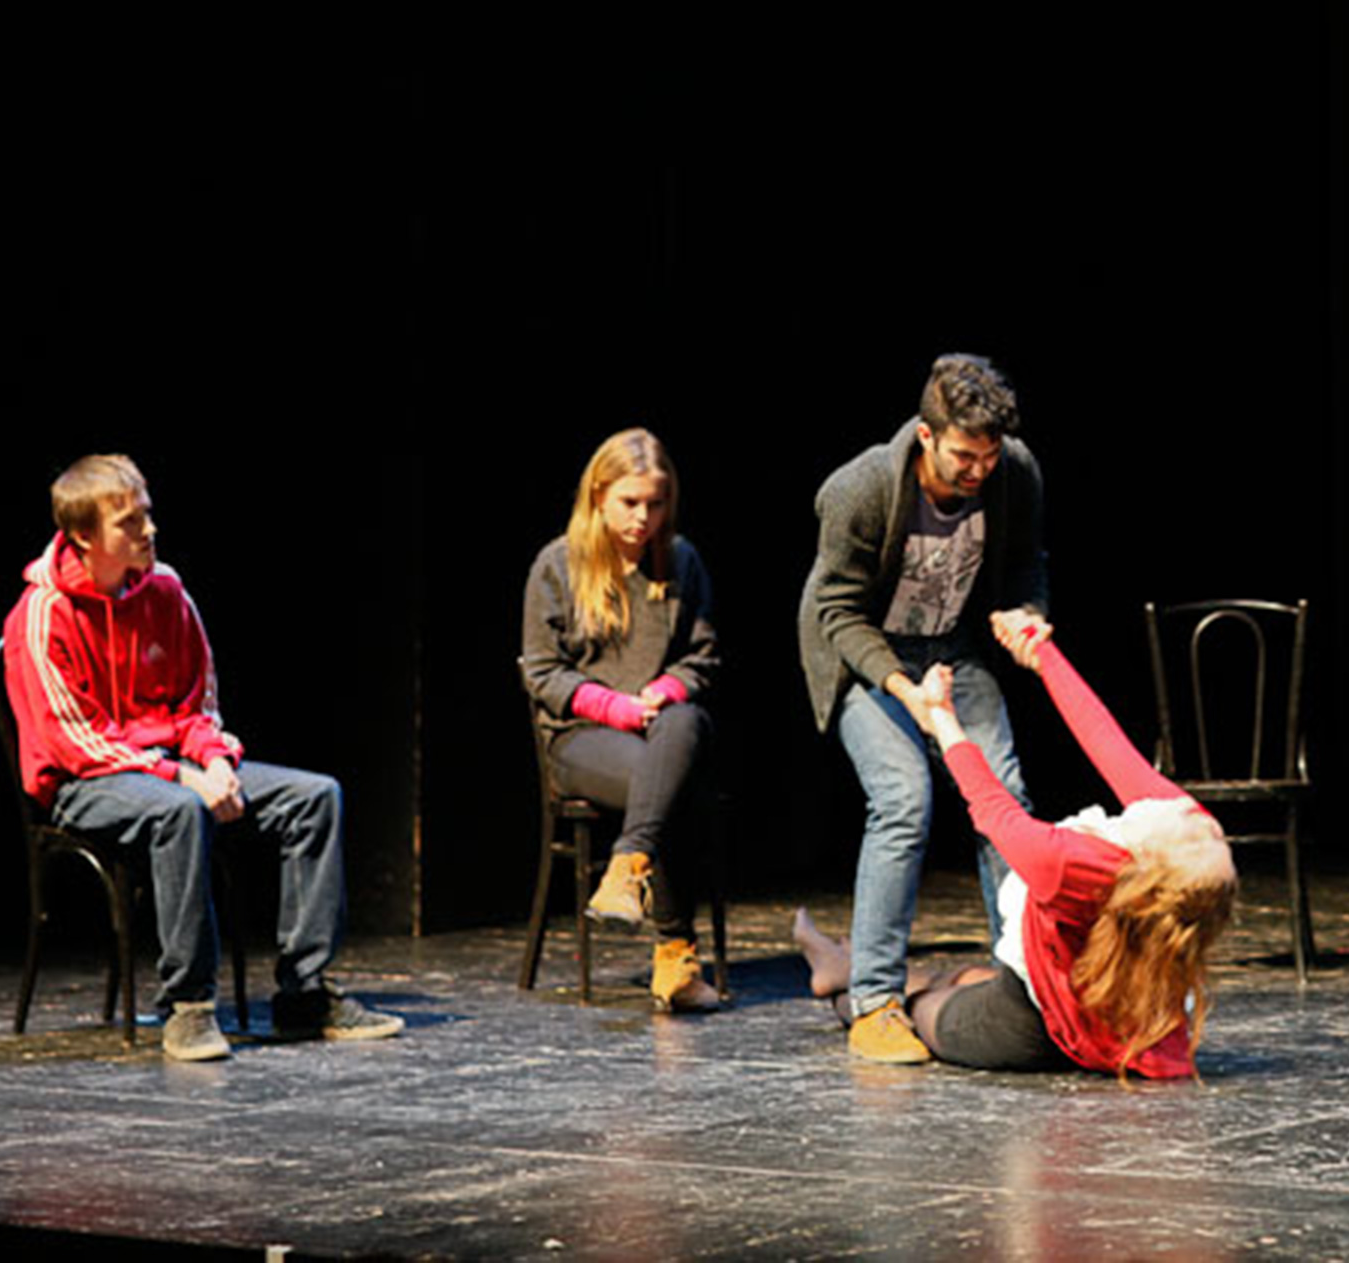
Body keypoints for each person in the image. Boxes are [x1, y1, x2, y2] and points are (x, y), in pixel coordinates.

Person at [1, 455, 402, 1061]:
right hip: (85, 781)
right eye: (128, 522)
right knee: (180, 811)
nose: (149, 530)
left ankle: (303, 993)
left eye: (147, 514)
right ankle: (188, 1006)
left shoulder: (165, 590)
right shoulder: (41, 614)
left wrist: (212, 760)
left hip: (169, 766)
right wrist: (182, 777)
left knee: (314, 797)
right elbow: (74, 739)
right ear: (83, 536)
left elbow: (197, 704)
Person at [795, 615, 1236, 1077]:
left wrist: (941, 716)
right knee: (969, 979)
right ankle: (842, 963)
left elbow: (992, 806)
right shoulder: (1187, 839)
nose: (1194, 817)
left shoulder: (1074, 863)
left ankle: (842, 986)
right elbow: (1105, 740)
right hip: (1100, 1005)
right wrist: (1042, 654)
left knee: (917, 1012)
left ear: (1152, 861)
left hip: (1031, 1029)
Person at [797, 353, 1049, 1062]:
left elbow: (1026, 563)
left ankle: (1026, 979)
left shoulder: (1014, 472)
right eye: (965, 456)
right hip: (864, 653)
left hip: (953, 649)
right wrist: (903, 690)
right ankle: (875, 1002)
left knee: (1005, 801)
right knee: (903, 798)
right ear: (927, 434)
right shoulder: (861, 488)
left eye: (989, 456)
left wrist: (1027, 615)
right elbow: (837, 611)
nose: (979, 471)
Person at [522, 428, 723, 1012]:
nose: (643, 518)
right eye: (630, 502)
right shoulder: (557, 565)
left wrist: (664, 689)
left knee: (682, 728)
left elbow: (703, 657)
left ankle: (626, 866)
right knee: (662, 780)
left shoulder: (680, 560)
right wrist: (614, 706)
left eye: (655, 504)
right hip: (582, 737)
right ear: (598, 496)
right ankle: (676, 953)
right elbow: (542, 671)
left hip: (664, 728)